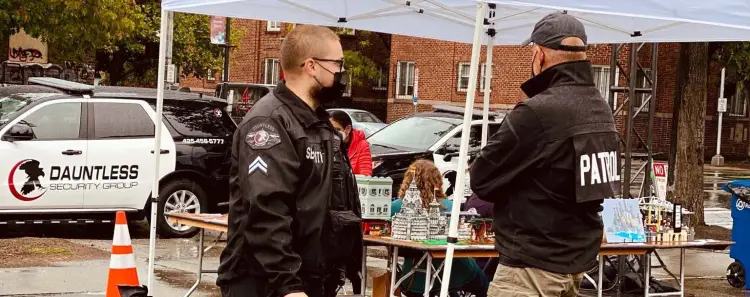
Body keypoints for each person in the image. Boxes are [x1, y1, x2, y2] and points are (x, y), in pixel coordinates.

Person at [470, 12, 621, 297]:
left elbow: (481, 179)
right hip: (575, 262)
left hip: (530, 268)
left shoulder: (537, 112)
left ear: (539, 54)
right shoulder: (602, 110)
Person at [217, 25, 363, 297]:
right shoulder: (269, 124)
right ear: (311, 66)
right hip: (266, 283)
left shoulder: (318, 122)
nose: (342, 73)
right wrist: (289, 285)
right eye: (337, 64)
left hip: (310, 277)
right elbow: (265, 211)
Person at [392, 160, 489, 297]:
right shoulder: (451, 207)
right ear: (437, 181)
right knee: (484, 286)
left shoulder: (396, 206)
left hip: (414, 277)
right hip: (457, 270)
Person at [329, 110, 373, 176]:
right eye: (330, 130)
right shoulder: (328, 143)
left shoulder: (361, 145)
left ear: (348, 129)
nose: (333, 134)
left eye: (337, 130)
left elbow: (366, 174)